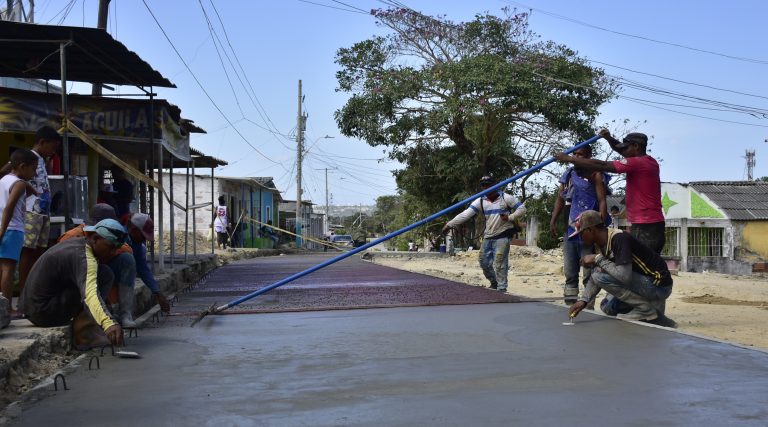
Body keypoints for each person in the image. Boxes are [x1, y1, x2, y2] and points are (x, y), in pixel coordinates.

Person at [19, 219, 126, 348]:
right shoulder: (84, 257)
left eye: (117, 248)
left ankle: (89, 327)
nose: (114, 253)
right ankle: (85, 335)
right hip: (42, 312)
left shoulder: (79, 244)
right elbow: (90, 294)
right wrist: (108, 323)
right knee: (100, 280)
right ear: (96, 238)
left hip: (34, 307)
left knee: (105, 273)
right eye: (111, 247)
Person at [555, 131, 665, 254]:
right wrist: (608, 138)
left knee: (644, 266)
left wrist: (569, 158)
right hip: (648, 223)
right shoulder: (650, 161)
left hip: (646, 226)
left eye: (626, 148)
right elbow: (621, 150)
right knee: (645, 265)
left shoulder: (637, 163)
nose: (623, 152)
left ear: (636, 146)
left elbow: (603, 165)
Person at [567, 210, 677, 328]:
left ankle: (646, 310)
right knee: (607, 307)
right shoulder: (600, 244)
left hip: (658, 285)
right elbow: (597, 274)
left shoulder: (619, 239)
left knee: (600, 276)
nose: (580, 237)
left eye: (581, 233)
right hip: (643, 284)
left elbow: (624, 276)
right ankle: (658, 317)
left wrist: (597, 259)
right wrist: (583, 300)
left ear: (591, 230)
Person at [59, 203, 141, 327]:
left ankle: (125, 313)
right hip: (76, 279)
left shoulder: (114, 239)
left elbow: (126, 250)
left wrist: (109, 250)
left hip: (100, 272)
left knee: (126, 260)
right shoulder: (71, 237)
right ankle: (87, 314)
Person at [442, 175, 526, 292]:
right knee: (483, 261)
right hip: (488, 236)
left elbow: (522, 209)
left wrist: (510, 217)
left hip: (503, 234)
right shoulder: (480, 201)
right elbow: (466, 214)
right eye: (483, 185)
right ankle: (494, 282)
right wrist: (449, 224)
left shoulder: (506, 198)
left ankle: (502, 288)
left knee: (499, 262)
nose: (486, 187)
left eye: (488, 185)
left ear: (494, 185)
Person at [550, 144, 611, 305]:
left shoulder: (596, 174)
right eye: (575, 154)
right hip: (571, 230)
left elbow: (602, 200)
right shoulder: (569, 174)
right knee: (570, 272)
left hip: (588, 231)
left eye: (581, 155)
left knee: (588, 272)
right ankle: (570, 305)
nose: (577, 157)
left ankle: (587, 305)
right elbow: (560, 198)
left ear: (589, 157)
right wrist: (553, 220)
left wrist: (602, 223)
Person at [16, 126, 61, 311]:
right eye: (52, 147)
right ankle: (23, 295)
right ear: (42, 142)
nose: (54, 151)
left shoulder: (42, 160)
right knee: (28, 251)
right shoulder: (28, 157)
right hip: (31, 211)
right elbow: (9, 170)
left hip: (42, 211)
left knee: (38, 252)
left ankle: (33, 291)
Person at [0, 148, 38, 324]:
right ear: (22, 167)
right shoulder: (19, 184)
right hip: (12, 229)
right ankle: (7, 308)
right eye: (33, 168)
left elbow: (31, 192)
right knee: (8, 269)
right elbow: (9, 207)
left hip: (3, 227)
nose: (35, 173)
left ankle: (3, 306)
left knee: (2, 268)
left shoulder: (4, 180)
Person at [125, 213, 171, 314]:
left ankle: (125, 312)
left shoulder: (137, 246)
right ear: (134, 229)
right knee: (128, 260)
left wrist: (157, 292)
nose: (144, 239)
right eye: (143, 235)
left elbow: (143, 269)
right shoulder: (120, 237)